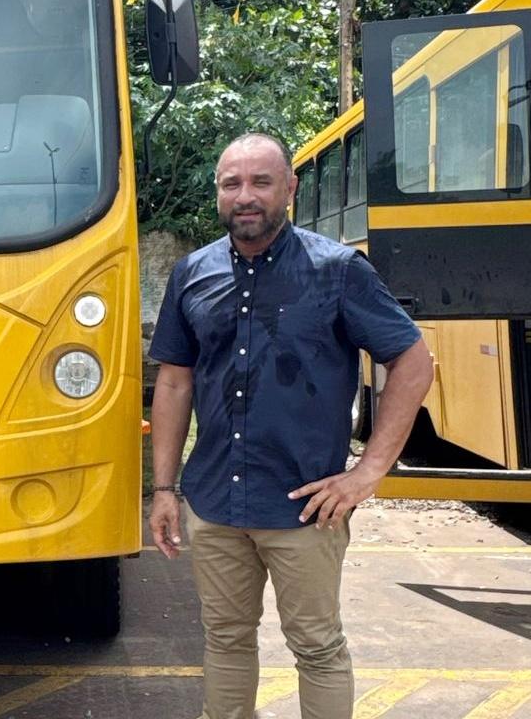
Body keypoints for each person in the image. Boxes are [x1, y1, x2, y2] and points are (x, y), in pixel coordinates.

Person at [147, 132, 434, 719]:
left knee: (317, 647)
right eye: (233, 184)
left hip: (305, 507)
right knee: (225, 640)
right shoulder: (191, 274)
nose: (245, 196)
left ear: (290, 189)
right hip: (213, 503)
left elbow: (412, 361)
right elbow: (174, 382)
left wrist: (368, 472)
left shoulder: (339, 272)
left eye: (261, 182)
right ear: (219, 193)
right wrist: (163, 490)